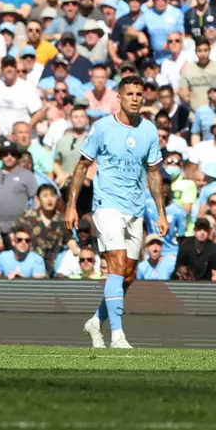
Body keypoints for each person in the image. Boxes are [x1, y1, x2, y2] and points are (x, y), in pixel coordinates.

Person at [65, 75, 169, 349]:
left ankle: (95, 322)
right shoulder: (102, 128)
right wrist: (71, 205)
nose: (136, 97)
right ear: (119, 98)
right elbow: (81, 166)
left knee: (129, 274)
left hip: (135, 207)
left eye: (139, 93)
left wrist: (161, 212)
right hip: (107, 205)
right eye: (130, 93)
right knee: (117, 264)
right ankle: (118, 336)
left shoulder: (148, 130)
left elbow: (154, 172)